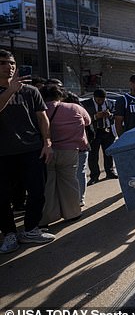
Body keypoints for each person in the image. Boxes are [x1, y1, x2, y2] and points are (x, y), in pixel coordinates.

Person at [0, 50, 55, 253]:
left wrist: (47, 143)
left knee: (37, 192)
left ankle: (31, 229)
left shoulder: (30, 91)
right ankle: (9, 234)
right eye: (3, 63)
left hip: (32, 150)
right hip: (3, 153)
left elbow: (42, 118)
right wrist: (9, 91)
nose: (9, 66)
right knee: (3, 197)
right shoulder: (13, 89)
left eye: (12, 63)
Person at [39, 85, 90, 226]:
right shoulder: (74, 108)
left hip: (46, 151)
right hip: (70, 151)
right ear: (60, 95)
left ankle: (47, 216)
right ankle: (73, 213)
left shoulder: (39, 109)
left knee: (48, 184)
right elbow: (88, 122)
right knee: (70, 181)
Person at [81, 89, 117, 186]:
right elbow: (83, 118)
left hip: (107, 131)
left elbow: (116, 115)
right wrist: (95, 117)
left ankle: (110, 172)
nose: (101, 102)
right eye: (98, 100)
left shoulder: (110, 103)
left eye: (103, 100)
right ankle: (94, 176)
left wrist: (110, 115)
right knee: (93, 155)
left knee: (109, 153)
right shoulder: (86, 104)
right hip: (94, 132)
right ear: (94, 97)